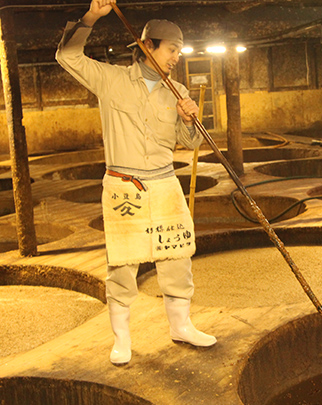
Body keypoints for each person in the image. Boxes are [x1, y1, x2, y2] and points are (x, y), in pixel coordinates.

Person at [56, 0, 216, 366]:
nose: (177, 56)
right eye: (172, 49)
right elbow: (67, 57)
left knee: (177, 256)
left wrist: (190, 119)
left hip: (164, 183)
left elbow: (190, 144)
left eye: (179, 50)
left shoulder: (176, 90)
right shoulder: (110, 80)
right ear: (148, 46)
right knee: (123, 264)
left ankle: (181, 326)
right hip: (123, 184)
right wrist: (92, 17)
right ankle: (122, 340)